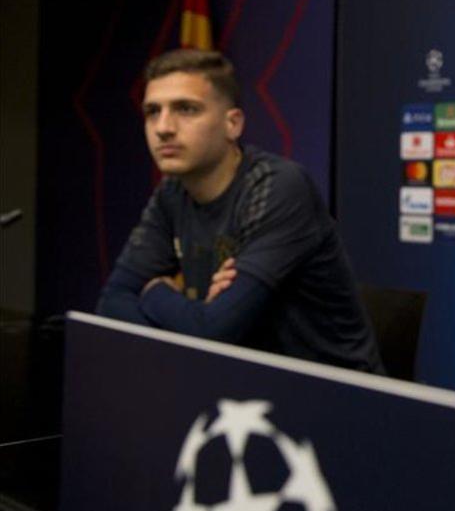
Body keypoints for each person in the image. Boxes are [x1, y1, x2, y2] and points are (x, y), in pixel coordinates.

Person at [97, 49, 384, 373]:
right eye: (152, 111)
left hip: (331, 397)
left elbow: (214, 332)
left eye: (186, 109)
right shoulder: (172, 193)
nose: (163, 127)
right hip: (241, 384)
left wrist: (155, 292)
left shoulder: (278, 186)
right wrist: (198, 313)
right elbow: (113, 302)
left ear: (232, 124)